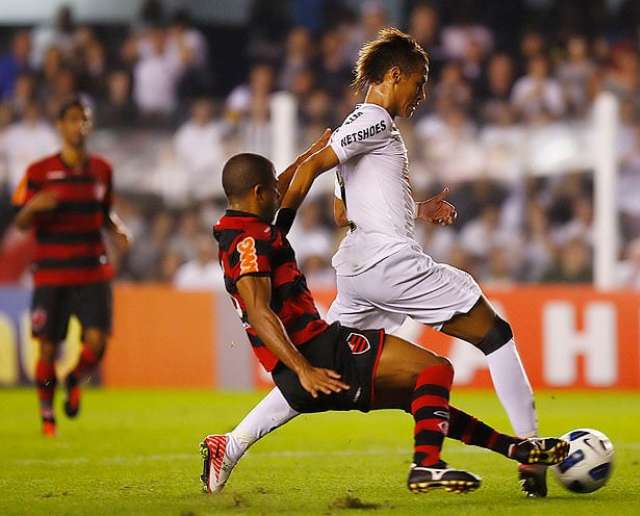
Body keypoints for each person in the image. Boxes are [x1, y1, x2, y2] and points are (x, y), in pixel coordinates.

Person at [226, 28, 551, 497]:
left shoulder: (361, 131)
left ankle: (230, 445)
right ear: (394, 75)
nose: (421, 94)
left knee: (324, 367)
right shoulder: (372, 120)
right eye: (418, 82)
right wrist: (278, 235)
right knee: (494, 333)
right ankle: (532, 451)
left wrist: (417, 211)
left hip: (359, 271)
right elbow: (310, 168)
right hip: (387, 265)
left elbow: (343, 213)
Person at [200, 148, 569, 494]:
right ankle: (427, 465)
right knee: (435, 370)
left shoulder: (253, 228)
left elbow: (289, 188)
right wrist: (302, 369)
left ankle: (516, 451)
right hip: (316, 354)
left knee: (421, 397)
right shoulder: (249, 241)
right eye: (273, 191)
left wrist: (315, 152)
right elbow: (259, 312)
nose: (281, 194)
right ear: (258, 193)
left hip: (309, 357)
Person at [12, 98, 130, 436]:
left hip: (93, 269)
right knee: (48, 346)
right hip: (51, 273)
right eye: (73, 119)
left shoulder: (102, 169)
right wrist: (35, 205)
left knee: (97, 342)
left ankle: (75, 377)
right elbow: (20, 221)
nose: (79, 125)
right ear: (61, 126)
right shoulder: (38, 172)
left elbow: (104, 212)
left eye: (85, 120)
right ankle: (47, 413)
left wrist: (118, 228)